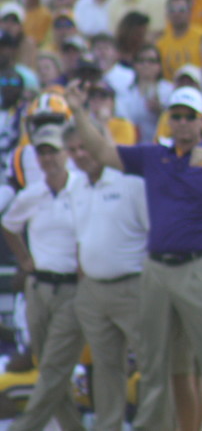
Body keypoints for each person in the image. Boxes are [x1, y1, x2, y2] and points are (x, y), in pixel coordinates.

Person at [66, 81, 202, 430]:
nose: (183, 122)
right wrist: (79, 111)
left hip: (201, 267)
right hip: (158, 270)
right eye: (176, 116)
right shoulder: (154, 156)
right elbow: (102, 152)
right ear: (168, 120)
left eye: (190, 116)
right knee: (157, 364)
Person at [66, 123, 148, 431]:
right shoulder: (75, 185)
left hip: (133, 284)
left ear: (100, 143)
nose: (80, 155)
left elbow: (153, 233)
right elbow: (80, 236)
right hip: (93, 289)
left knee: (151, 366)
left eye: (84, 146)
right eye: (72, 150)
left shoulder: (130, 181)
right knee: (104, 368)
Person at [1, 125, 84, 431]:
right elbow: (9, 225)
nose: (48, 157)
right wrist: (24, 259)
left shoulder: (81, 188)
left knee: (54, 365)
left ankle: (23, 427)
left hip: (71, 288)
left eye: (53, 150)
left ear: (66, 154)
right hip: (38, 286)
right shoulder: (32, 194)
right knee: (51, 366)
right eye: (42, 152)